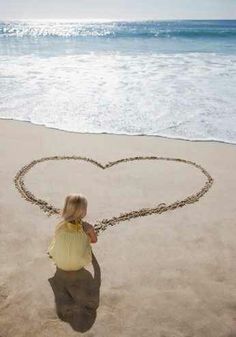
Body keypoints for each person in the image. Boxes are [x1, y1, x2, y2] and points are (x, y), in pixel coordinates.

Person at [47, 194, 97, 271]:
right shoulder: (88, 227)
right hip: (79, 265)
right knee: (86, 239)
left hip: (60, 263)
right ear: (83, 211)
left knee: (56, 240)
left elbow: (57, 240)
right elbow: (94, 241)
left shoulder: (60, 226)